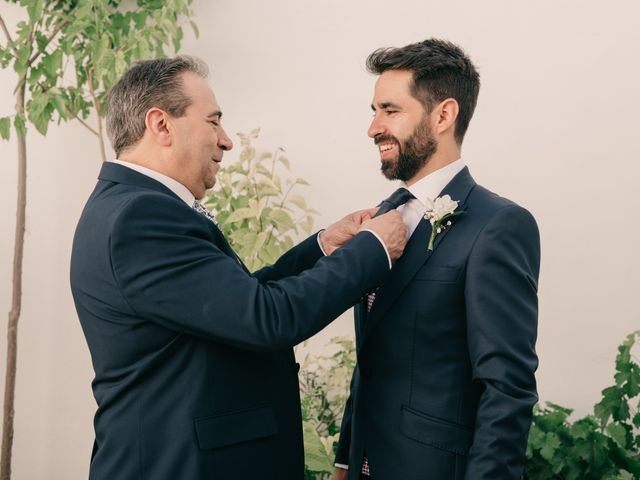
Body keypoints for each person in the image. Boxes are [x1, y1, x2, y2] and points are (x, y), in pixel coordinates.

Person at [70, 55, 407, 480]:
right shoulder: (141, 217)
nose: (226, 141)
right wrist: (375, 248)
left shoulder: (128, 207)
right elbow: (267, 318)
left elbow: (236, 303)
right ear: (160, 125)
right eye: (213, 122)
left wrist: (324, 247)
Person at [333, 39, 541, 480]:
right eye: (373, 111)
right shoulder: (381, 217)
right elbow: (371, 360)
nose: (373, 128)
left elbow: (508, 389)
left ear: (444, 115)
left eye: (390, 110)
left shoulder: (498, 225)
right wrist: (344, 460)